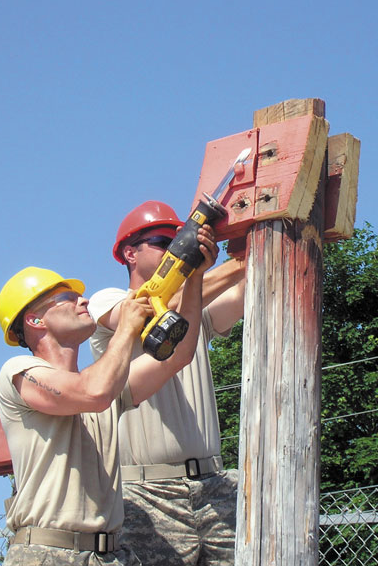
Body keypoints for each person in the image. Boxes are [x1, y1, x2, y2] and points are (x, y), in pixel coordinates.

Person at [0, 229, 217, 566]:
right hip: (47, 553)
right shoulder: (19, 372)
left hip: (109, 554)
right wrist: (128, 327)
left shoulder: (106, 383)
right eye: (66, 298)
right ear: (34, 319)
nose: (82, 300)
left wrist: (196, 278)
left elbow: (178, 356)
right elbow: (93, 393)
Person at [87, 200, 246, 566]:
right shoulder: (108, 303)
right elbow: (156, 306)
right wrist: (231, 265)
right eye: (164, 241)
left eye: (181, 239)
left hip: (214, 484)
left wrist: (263, 245)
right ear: (129, 253)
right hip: (146, 492)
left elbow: (247, 289)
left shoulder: (195, 309)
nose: (179, 248)